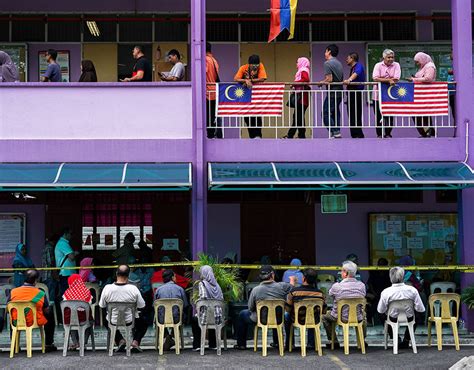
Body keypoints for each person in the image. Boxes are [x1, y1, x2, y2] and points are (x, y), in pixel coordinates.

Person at [234, 265, 295, 350]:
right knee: (280, 315)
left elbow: (250, 308)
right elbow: (293, 288)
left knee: (242, 314)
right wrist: (292, 280)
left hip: (260, 319)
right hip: (278, 318)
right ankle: (282, 343)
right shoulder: (282, 286)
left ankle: (241, 344)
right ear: (272, 275)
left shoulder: (255, 290)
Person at [99, 265, 146, 353]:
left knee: (106, 320)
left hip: (113, 320)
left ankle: (120, 340)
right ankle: (135, 342)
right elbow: (142, 306)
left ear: (116, 274)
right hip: (130, 320)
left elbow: (102, 305)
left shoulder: (107, 288)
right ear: (128, 275)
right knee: (143, 323)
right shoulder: (133, 289)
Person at [8, 269, 57, 352]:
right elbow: (46, 310)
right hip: (33, 321)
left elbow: (8, 308)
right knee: (50, 314)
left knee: (12, 317)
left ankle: (15, 345)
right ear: (36, 280)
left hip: (17, 321)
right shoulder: (40, 293)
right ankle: (48, 344)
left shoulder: (13, 292)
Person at [377, 267, 425, 349]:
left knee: (381, 315)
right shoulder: (412, 290)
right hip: (409, 318)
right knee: (418, 315)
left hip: (392, 318)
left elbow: (380, 310)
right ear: (403, 277)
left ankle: (396, 338)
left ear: (390, 277)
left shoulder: (386, 292)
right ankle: (406, 340)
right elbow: (421, 309)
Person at [322, 261, 366, 349]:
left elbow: (330, 294)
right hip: (357, 317)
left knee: (324, 317)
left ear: (345, 273)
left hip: (339, 316)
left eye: (342, 271)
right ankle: (362, 340)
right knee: (364, 316)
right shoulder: (361, 285)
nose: (341, 272)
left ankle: (334, 341)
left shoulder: (337, 286)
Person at [285, 268, 324, 349]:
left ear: (304, 278)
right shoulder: (320, 293)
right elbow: (323, 310)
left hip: (297, 319)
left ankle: (290, 344)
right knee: (313, 315)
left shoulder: (294, 291)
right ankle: (311, 343)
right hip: (313, 320)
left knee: (286, 316)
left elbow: (287, 309)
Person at [234, 55, 268, 139]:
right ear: (249, 64)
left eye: (257, 65)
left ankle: (258, 135)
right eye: (253, 65)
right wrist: (245, 80)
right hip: (246, 95)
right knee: (247, 115)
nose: (255, 67)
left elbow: (262, 78)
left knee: (257, 114)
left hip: (257, 95)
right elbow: (236, 79)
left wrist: (250, 81)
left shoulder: (261, 66)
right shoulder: (243, 68)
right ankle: (252, 136)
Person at [191, 265, 224, 351]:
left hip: (206, 318)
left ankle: (197, 345)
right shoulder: (218, 285)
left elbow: (203, 299)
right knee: (213, 314)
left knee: (195, 319)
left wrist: (198, 311)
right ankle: (213, 345)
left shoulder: (202, 284)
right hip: (218, 318)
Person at [154, 269, 188, 351]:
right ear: (173, 277)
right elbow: (185, 305)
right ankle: (171, 336)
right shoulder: (180, 289)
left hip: (161, 320)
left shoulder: (158, 290)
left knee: (156, 317)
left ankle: (167, 337)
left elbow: (154, 305)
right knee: (182, 315)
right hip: (177, 319)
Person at [372, 49, 401, 138]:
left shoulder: (396, 65)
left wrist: (383, 79)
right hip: (377, 95)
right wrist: (388, 80)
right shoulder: (378, 65)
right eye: (388, 57)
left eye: (392, 57)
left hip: (390, 95)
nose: (391, 59)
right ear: (384, 57)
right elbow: (375, 78)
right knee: (378, 115)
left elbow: (396, 78)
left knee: (389, 114)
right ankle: (379, 134)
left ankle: (388, 133)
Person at [408, 52, 437, 138]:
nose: (417, 64)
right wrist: (415, 78)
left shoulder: (430, 66)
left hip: (425, 94)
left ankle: (428, 132)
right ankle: (424, 133)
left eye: (418, 61)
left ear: (422, 59)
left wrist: (414, 80)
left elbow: (428, 78)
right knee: (416, 114)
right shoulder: (423, 67)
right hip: (419, 94)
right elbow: (422, 78)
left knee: (424, 114)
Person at [62, 274, 94, 351]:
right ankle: (83, 343)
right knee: (89, 323)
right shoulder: (86, 292)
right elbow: (89, 304)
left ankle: (75, 342)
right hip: (84, 320)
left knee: (70, 324)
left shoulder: (66, 293)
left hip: (70, 321)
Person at [319, 44, 344, 139]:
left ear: (329, 51)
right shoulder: (339, 63)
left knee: (325, 113)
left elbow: (329, 79)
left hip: (333, 92)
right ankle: (336, 131)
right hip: (340, 91)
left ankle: (334, 131)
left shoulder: (328, 63)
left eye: (325, 51)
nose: (325, 54)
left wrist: (321, 82)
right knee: (335, 112)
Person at [284, 57, 310, 139]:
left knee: (298, 117)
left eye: (297, 62)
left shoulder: (304, 70)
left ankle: (295, 135)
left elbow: (305, 79)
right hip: (301, 98)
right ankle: (297, 135)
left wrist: (294, 83)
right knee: (298, 116)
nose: (296, 64)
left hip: (301, 98)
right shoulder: (302, 70)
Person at [344, 52, 366, 138]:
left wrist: (349, 80)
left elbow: (357, 72)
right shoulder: (353, 67)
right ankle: (354, 133)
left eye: (348, 58)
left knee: (355, 113)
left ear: (352, 58)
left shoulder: (358, 66)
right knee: (352, 114)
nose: (346, 60)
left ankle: (358, 134)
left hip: (356, 93)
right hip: (352, 93)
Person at [366, 258, 391, 324]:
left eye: (382, 264)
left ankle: (368, 317)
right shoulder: (374, 272)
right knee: (374, 299)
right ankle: (369, 318)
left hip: (385, 294)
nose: (381, 266)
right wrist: (373, 293)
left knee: (378, 300)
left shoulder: (389, 273)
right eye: (379, 264)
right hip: (374, 293)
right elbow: (370, 284)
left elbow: (390, 286)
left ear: (386, 265)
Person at [55, 227, 78, 297]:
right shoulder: (63, 243)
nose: (71, 236)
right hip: (66, 273)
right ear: (65, 234)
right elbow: (72, 257)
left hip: (67, 273)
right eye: (70, 234)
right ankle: (64, 307)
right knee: (66, 294)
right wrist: (75, 253)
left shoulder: (63, 243)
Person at [206, 42, 222, 139]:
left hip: (207, 92)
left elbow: (203, 74)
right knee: (213, 115)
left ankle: (210, 135)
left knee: (208, 115)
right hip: (215, 91)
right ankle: (214, 134)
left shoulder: (205, 60)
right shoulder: (214, 60)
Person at [41, 235, 59, 304]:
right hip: (49, 275)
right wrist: (55, 274)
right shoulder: (49, 248)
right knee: (50, 296)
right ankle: (50, 311)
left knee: (46, 293)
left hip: (46, 275)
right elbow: (50, 263)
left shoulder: (46, 248)